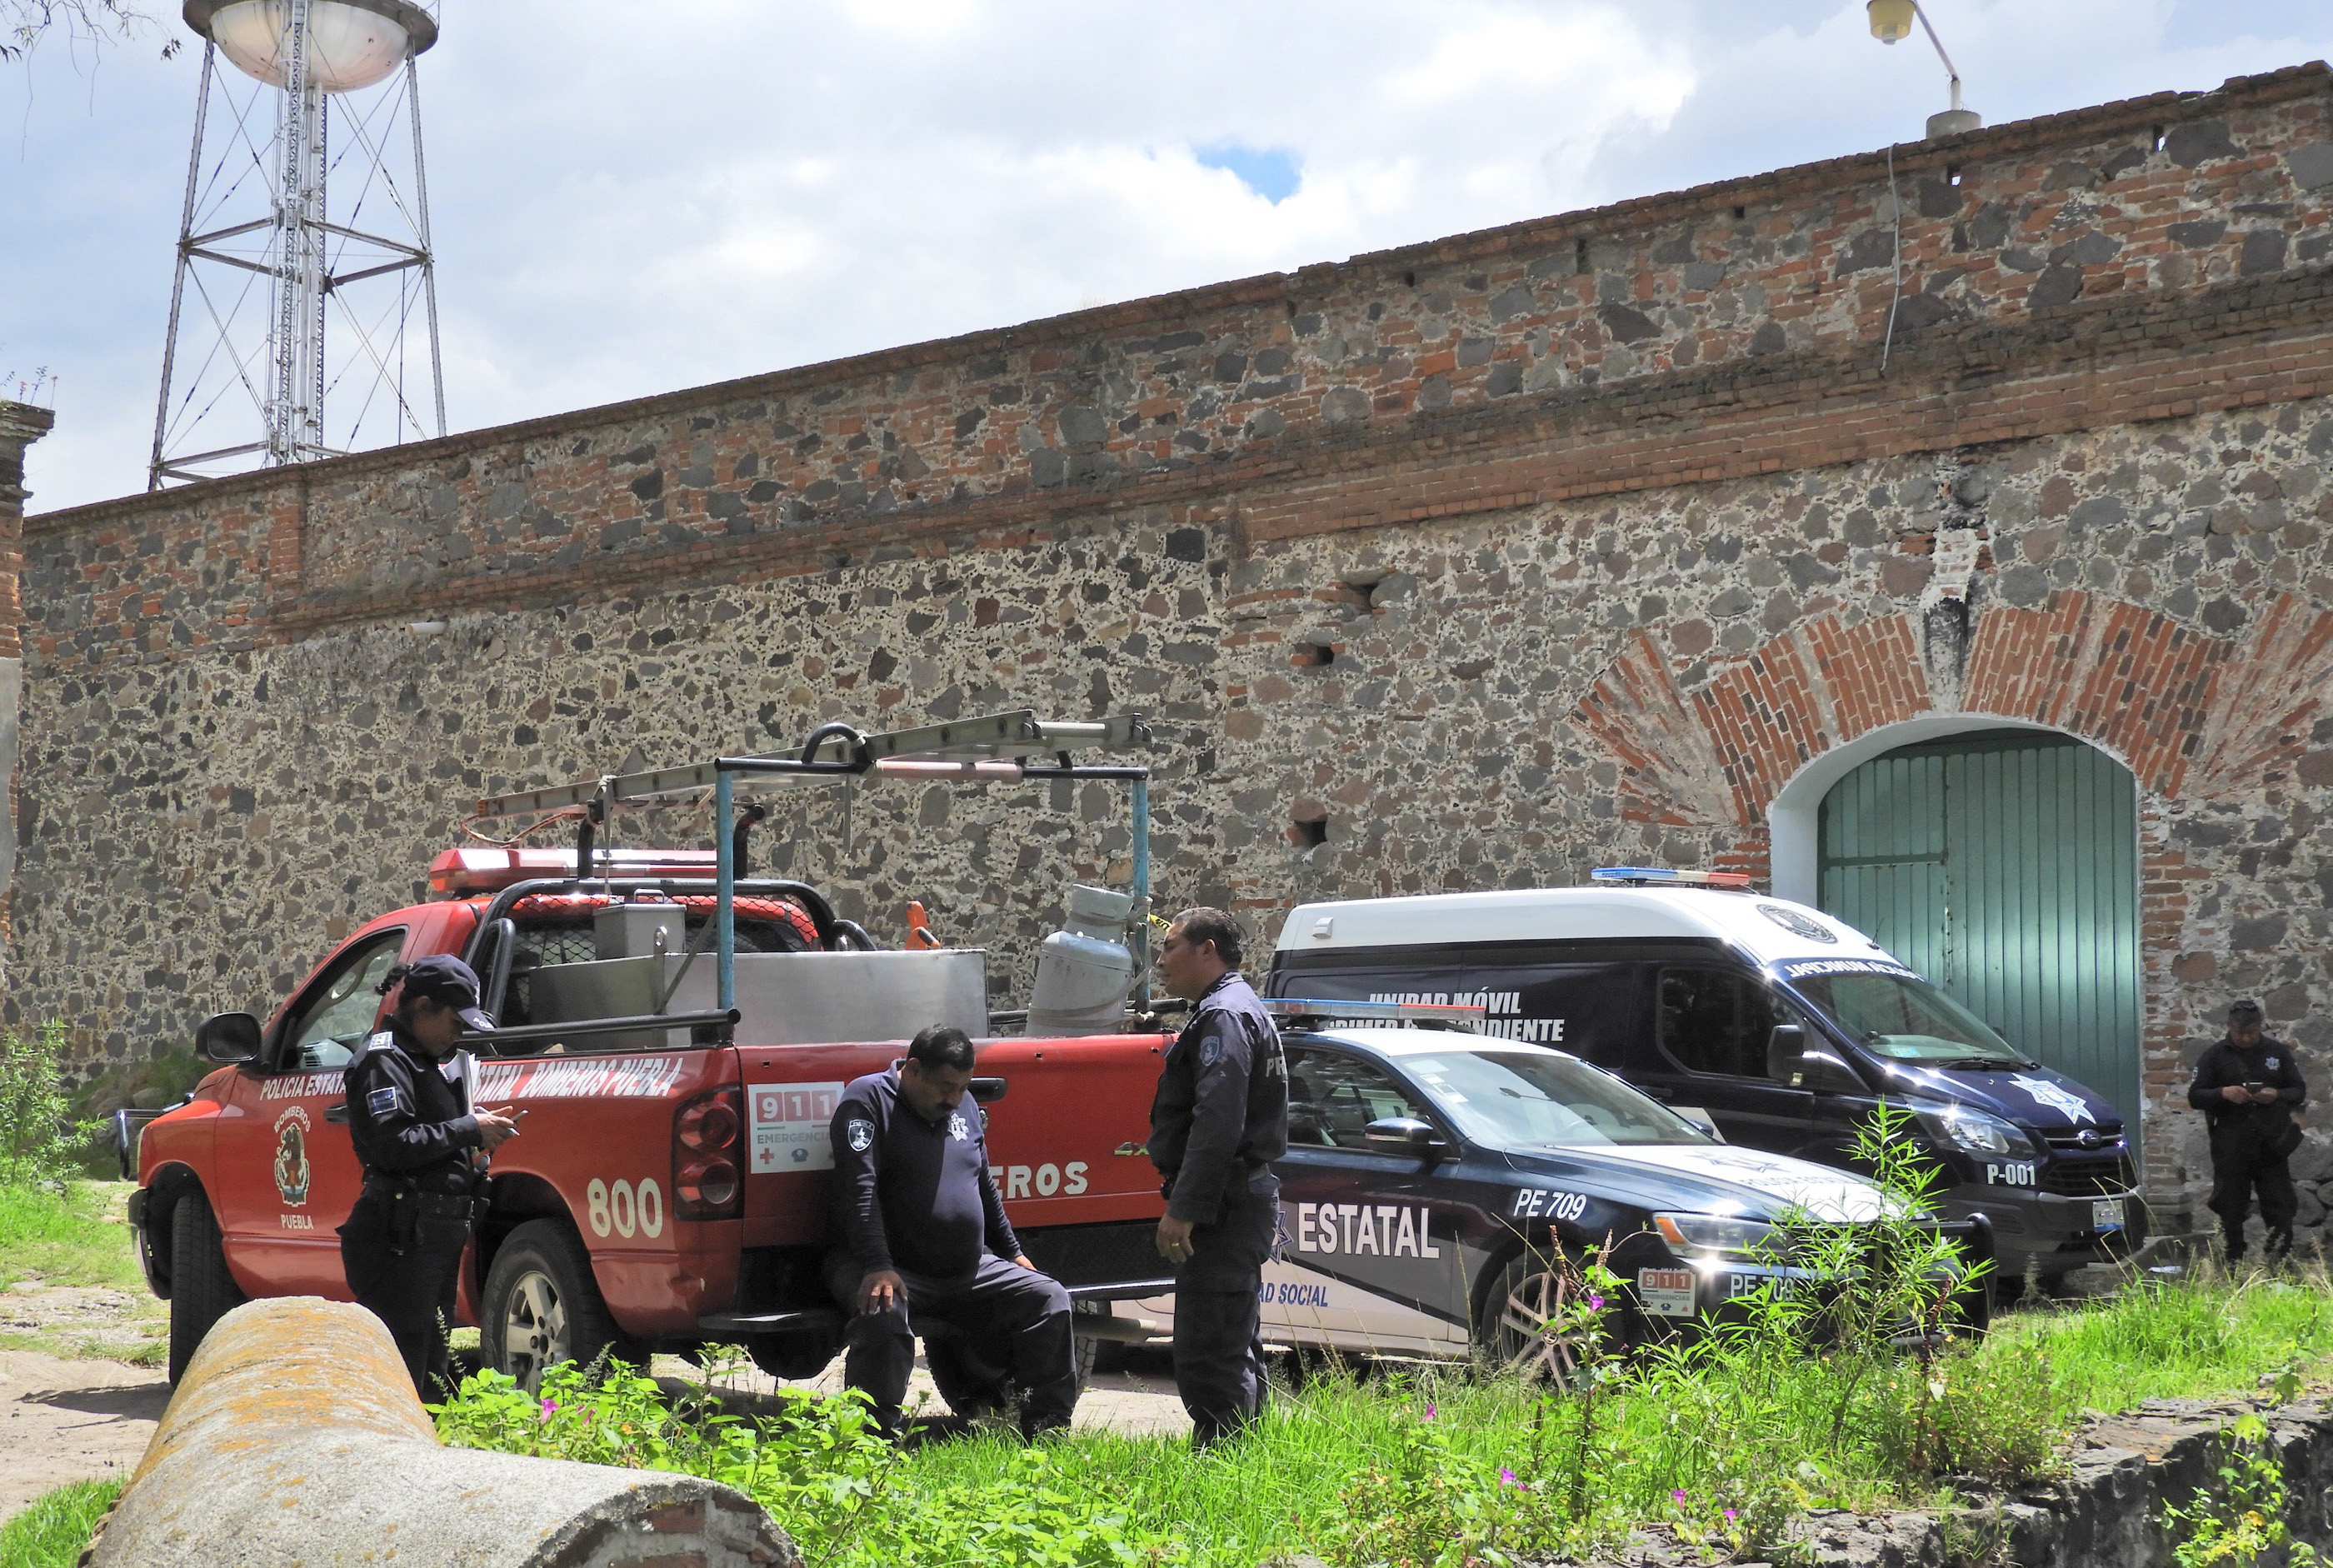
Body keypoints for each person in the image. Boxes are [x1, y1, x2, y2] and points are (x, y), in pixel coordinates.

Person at [827, 1024, 1077, 1439]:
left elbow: (983, 1184)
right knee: (883, 1312)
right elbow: (859, 1190)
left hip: (968, 1268)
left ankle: (1046, 1430)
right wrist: (878, 1265)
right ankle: (869, 1441)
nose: (954, 1099)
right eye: (946, 1086)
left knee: (1048, 1298)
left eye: (963, 1088)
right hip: (890, 1266)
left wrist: (1012, 1252)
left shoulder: (961, 1107)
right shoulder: (868, 1099)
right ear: (913, 1070)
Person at [340, 953, 519, 1396]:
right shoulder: (385, 1061)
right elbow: (394, 1143)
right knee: (405, 1369)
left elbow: (422, 1130)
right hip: (401, 1237)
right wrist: (468, 1128)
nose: (462, 1034)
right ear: (422, 1007)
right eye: (456, 1022)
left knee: (433, 1363)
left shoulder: (422, 1061)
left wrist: (471, 1128)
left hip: (430, 1235)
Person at [1147, 906, 1287, 1448]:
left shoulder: (1224, 1017)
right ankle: (1241, 1460)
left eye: (1172, 946)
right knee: (1234, 1342)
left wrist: (1185, 1208)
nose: (1161, 960)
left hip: (1223, 1207)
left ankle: (1221, 1466)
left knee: (1210, 1350)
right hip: (1236, 1199)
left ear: (1208, 950)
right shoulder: (1234, 1007)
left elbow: (1218, 1119)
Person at [2186, 997, 2309, 1264]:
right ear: (2229, 1026)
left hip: (2271, 1142)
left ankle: (2280, 1262)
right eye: (2239, 1033)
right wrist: (2224, 1093)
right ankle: (2233, 1263)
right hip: (2231, 1140)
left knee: (2279, 1206)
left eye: (2251, 1033)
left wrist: (2274, 1094)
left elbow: (2298, 1090)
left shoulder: (2277, 1053)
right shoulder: (2214, 1056)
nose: (2245, 1038)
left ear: (2260, 1027)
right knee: (2230, 1205)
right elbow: (2196, 1096)